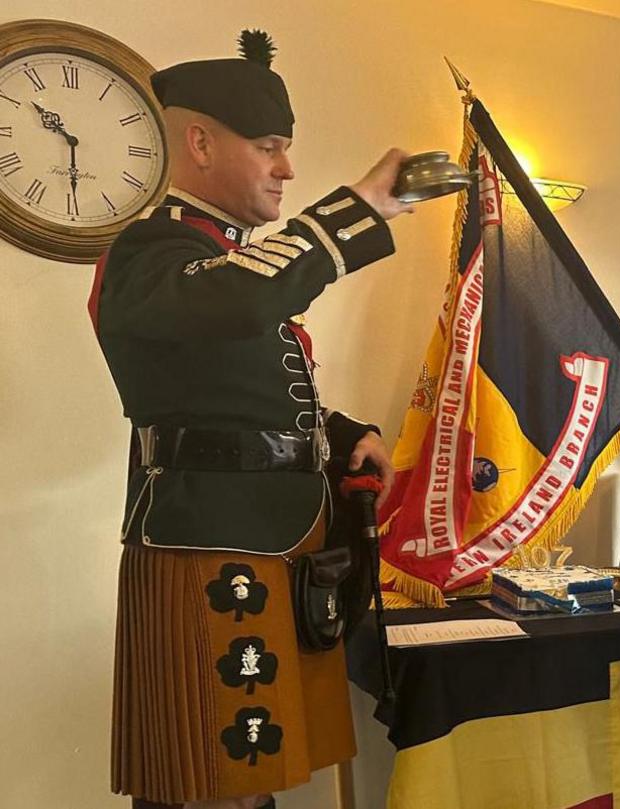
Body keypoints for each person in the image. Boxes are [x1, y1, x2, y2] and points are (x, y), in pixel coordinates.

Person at [89, 31, 411, 809]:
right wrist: (355, 209)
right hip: (204, 542)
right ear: (198, 142)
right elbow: (237, 297)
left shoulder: (223, 262)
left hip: (274, 540)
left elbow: (239, 387)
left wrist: (340, 437)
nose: (287, 169)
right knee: (206, 784)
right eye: (269, 146)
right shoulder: (148, 254)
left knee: (251, 779)